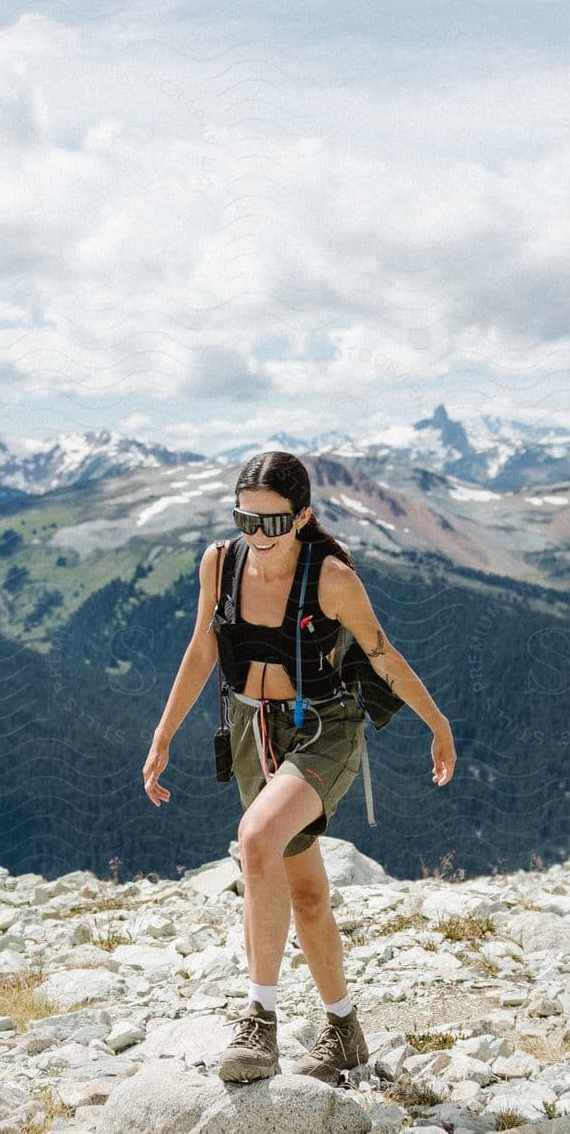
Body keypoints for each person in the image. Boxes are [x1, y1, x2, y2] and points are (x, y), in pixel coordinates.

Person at [141, 450, 456, 1084]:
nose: (257, 537)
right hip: (251, 731)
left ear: (302, 516)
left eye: (273, 523)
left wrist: (439, 725)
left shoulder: (332, 578)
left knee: (256, 838)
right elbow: (203, 647)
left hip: (323, 730)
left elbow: (382, 654)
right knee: (307, 894)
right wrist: (164, 734)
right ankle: (343, 1031)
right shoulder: (220, 563)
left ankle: (259, 1020)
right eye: (245, 520)